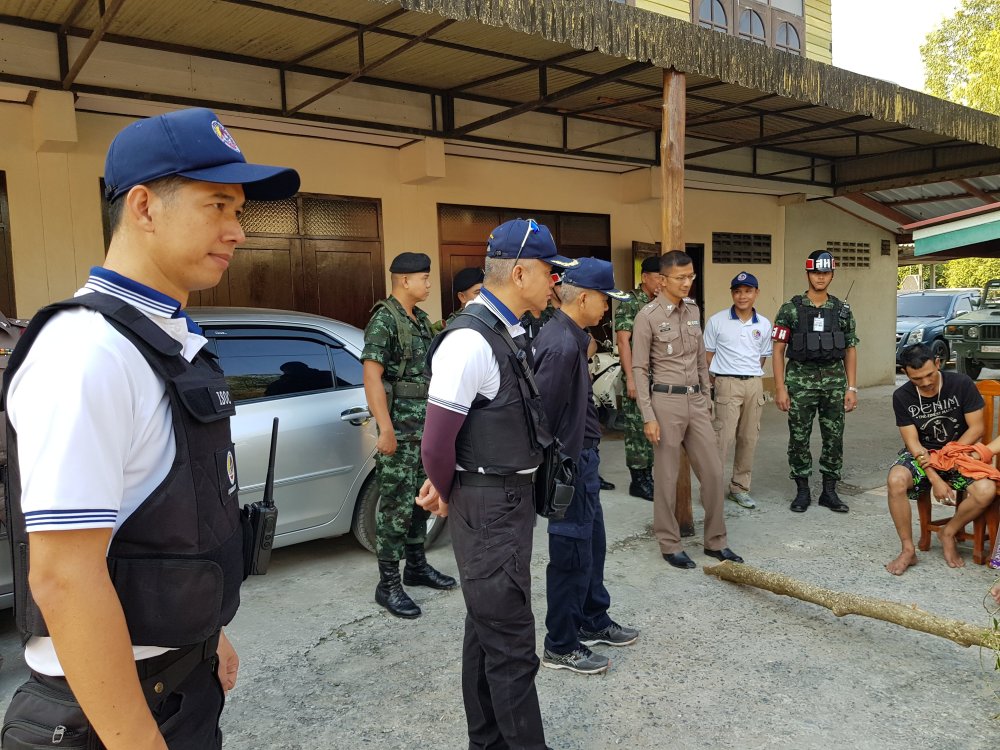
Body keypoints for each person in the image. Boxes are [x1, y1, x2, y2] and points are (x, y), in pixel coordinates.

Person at [2, 107, 300, 749]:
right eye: (217, 205)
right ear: (143, 207)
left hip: (179, 680)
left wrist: (206, 637)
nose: (237, 231)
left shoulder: (169, 340)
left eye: (238, 210)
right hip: (106, 715)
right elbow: (63, 577)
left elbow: (173, 526)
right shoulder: (86, 352)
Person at [417, 217, 576, 750]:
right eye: (550, 271)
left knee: (487, 630)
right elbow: (436, 442)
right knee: (511, 644)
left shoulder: (504, 329)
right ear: (520, 272)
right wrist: (445, 491)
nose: (555, 282)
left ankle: (486, 742)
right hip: (488, 506)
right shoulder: (469, 340)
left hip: (504, 501)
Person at [532, 258, 638, 676]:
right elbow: (540, 415)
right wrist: (559, 468)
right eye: (604, 299)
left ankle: (592, 618)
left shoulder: (571, 337)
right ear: (584, 298)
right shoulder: (560, 344)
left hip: (584, 459)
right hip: (570, 464)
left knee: (592, 546)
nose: (607, 307)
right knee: (570, 554)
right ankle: (560, 644)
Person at [631, 251, 744, 570]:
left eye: (690, 276)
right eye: (680, 277)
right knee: (667, 478)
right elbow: (639, 368)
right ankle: (669, 544)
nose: (686, 283)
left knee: (713, 472)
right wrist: (648, 416)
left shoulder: (693, 310)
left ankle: (715, 541)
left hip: (696, 401)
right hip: (665, 402)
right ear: (663, 280)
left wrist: (706, 398)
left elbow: (699, 360)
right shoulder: (647, 316)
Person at [362, 252, 457, 619]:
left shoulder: (417, 320)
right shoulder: (384, 320)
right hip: (400, 433)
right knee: (395, 507)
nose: (429, 284)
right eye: (424, 278)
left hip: (423, 429)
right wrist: (385, 429)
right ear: (405, 280)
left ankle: (416, 567)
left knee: (420, 501)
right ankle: (387, 584)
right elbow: (372, 377)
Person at [886, 344, 993, 575]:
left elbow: (977, 429)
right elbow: (913, 443)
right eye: (917, 379)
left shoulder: (961, 384)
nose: (926, 383)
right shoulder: (902, 396)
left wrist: (947, 458)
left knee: (986, 491)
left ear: (937, 363)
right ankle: (908, 549)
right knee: (895, 480)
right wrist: (935, 478)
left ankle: (948, 532)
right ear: (905, 373)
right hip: (923, 456)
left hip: (959, 452)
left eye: (929, 375)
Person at [772, 250, 859, 513]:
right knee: (799, 438)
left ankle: (829, 492)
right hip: (800, 384)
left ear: (832, 275)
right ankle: (802, 491)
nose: (820, 277)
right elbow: (778, 349)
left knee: (834, 438)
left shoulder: (842, 311)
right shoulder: (790, 309)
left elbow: (850, 349)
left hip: (833, 385)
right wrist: (780, 388)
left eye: (825, 273)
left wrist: (851, 387)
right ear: (808, 274)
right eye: (815, 272)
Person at [704, 272, 772, 509]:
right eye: (737, 291)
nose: (742, 296)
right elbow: (708, 355)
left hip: (754, 384)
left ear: (756, 293)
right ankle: (711, 490)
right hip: (727, 383)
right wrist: (719, 379)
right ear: (732, 294)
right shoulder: (717, 321)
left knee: (748, 437)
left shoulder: (764, 324)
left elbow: (762, 356)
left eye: (748, 291)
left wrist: (749, 374)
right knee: (722, 438)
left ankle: (740, 488)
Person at [614, 255, 662, 501]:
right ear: (644, 277)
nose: (662, 283)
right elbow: (624, 342)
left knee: (654, 427)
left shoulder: (661, 303)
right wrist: (631, 379)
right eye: (658, 278)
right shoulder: (631, 303)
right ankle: (639, 481)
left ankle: (649, 476)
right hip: (638, 376)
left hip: (659, 377)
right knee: (636, 429)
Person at [433, 266, 484, 333]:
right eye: (477, 293)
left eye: (485, 292)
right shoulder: (454, 325)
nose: (484, 297)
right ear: (462, 297)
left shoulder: (488, 317)